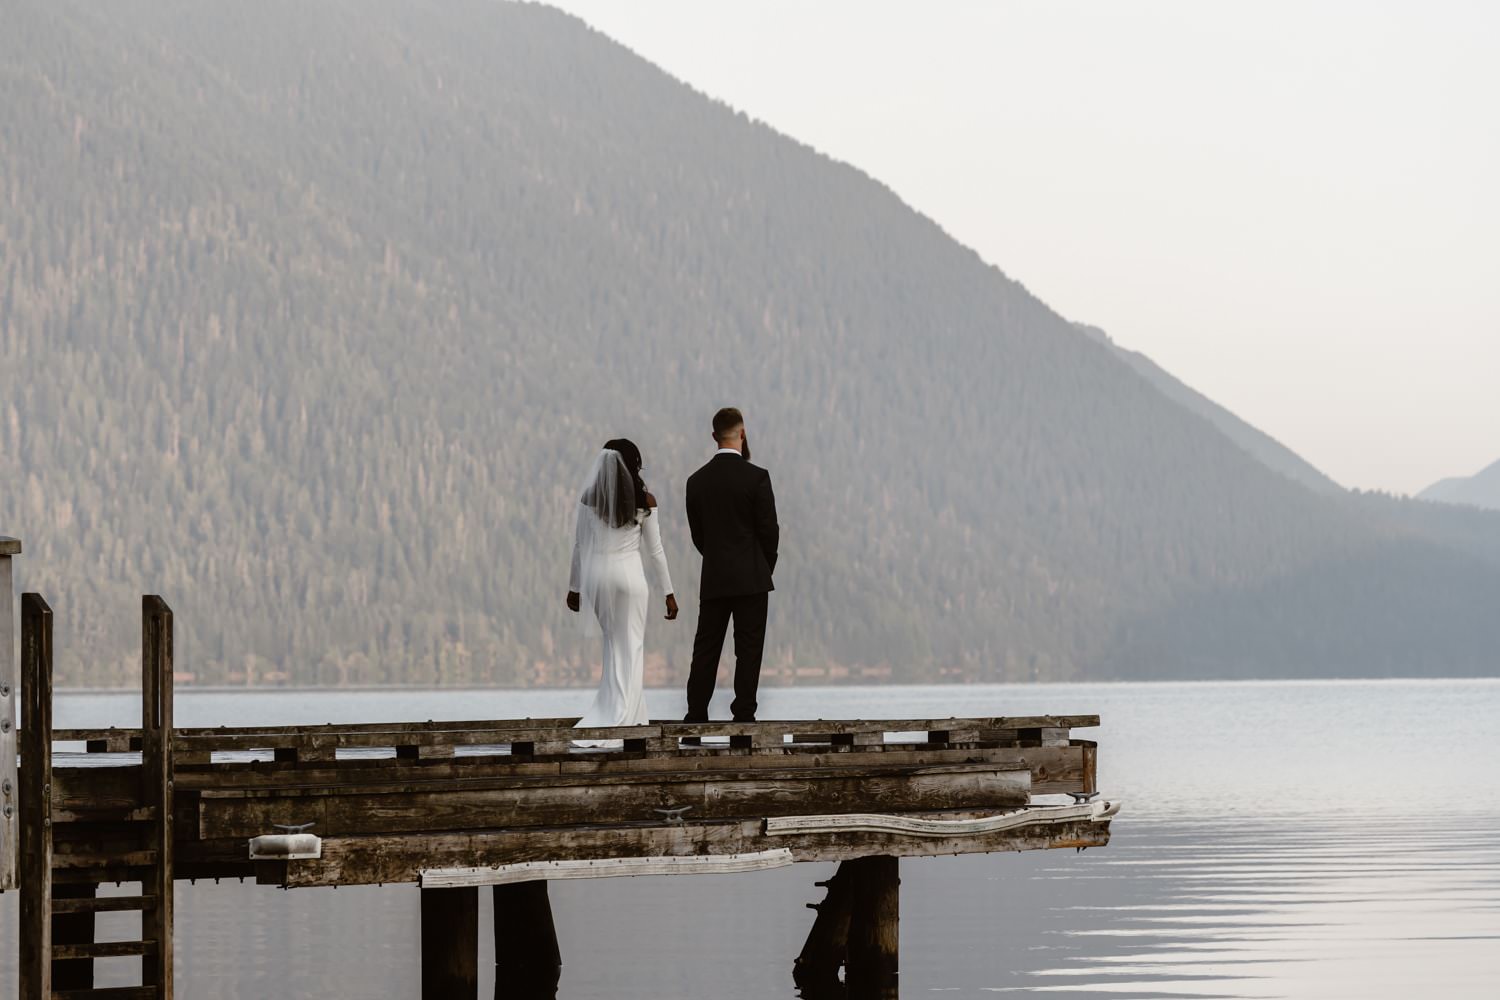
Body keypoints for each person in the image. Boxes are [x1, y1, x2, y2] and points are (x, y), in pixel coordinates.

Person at [566, 439, 678, 743]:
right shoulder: (646, 501)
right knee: (632, 646)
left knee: (613, 644)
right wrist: (668, 592)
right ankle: (628, 718)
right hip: (629, 578)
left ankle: (618, 712)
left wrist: (574, 588)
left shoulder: (589, 499)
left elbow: (580, 546)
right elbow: (656, 552)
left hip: (598, 578)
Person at [683, 408, 779, 724]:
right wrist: (764, 567)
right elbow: (769, 531)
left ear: (714, 436)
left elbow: (699, 536)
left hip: (715, 577)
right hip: (752, 576)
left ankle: (696, 715)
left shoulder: (696, 482)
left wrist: (714, 558)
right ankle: (744, 715)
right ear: (742, 433)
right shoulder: (757, 478)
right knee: (748, 650)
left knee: (706, 649)